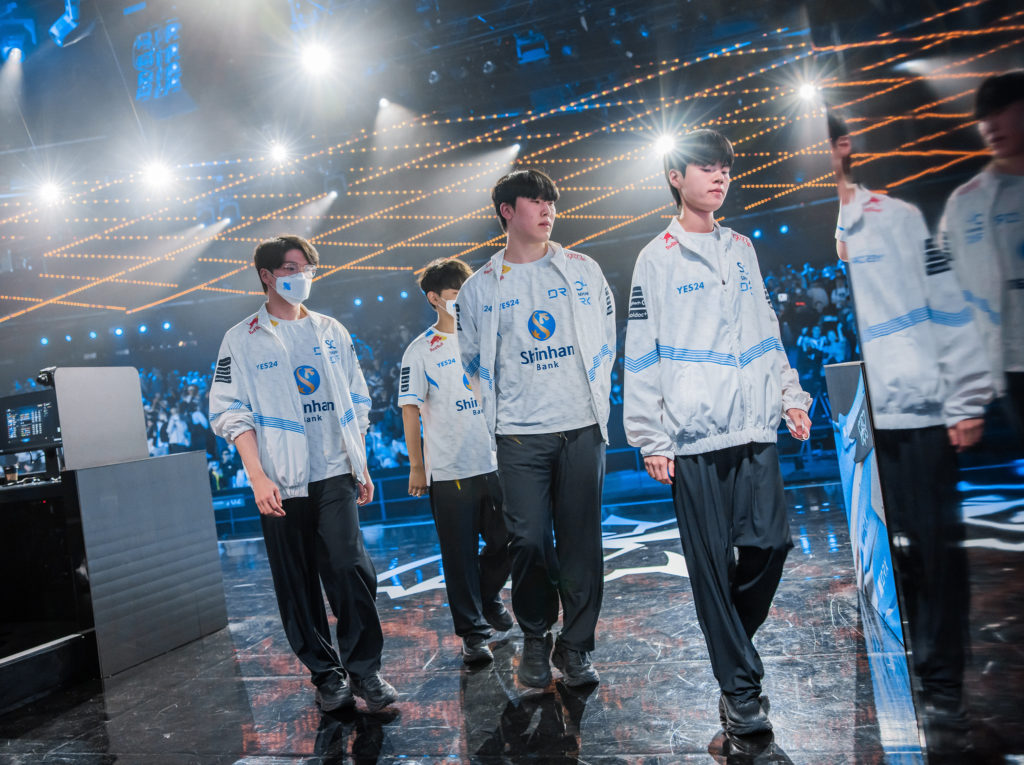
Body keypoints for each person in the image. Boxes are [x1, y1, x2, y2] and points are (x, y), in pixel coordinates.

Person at [623, 129, 811, 736]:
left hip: (754, 426)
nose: (720, 176)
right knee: (709, 566)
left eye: (725, 167)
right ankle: (740, 692)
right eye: (706, 166)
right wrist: (650, 437)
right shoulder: (656, 257)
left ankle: (731, 646)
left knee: (770, 547)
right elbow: (641, 350)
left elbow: (765, 328)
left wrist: (790, 395)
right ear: (676, 177)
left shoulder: (742, 248)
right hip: (694, 438)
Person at [830, 113, 994, 752]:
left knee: (935, 554)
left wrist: (965, 398)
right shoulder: (837, 231)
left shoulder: (896, 219)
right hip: (860, 420)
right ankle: (915, 676)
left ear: (843, 148)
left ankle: (944, 690)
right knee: (892, 561)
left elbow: (947, 307)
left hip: (917, 414)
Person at [208, 235, 397, 713]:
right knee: (296, 583)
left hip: (334, 472)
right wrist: (257, 476)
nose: (302, 276)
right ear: (267, 276)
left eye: (308, 268)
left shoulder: (331, 331)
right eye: (291, 268)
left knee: (350, 567)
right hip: (280, 480)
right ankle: (327, 675)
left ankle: (365, 671)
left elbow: (358, 399)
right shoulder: (241, 338)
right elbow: (230, 413)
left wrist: (360, 462)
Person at [456, 168, 616, 688]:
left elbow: (606, 339)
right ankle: (535, 634)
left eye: (552, 201)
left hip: (581, 428)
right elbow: (471, 359)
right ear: (507, 211)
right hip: (518, 435)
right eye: (536, 200)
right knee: (526, 541)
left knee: (581, 544)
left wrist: (594, 401)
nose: (548, 209)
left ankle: (576, 647)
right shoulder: (479, 287)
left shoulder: (583, 269)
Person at [399, 257, 513, 665]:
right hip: (449, 472)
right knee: (458, 556)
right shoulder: (420, 350)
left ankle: (486, 594)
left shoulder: (487, 337)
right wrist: (417, 467)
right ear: (435, 298)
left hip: (494, 462)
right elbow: (409, 410)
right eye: (455, 294)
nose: (463, 300)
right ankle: (472, 633)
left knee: (510, 540)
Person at [939, 70, 1024, 435]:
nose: (990, 125)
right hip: (1008, 365)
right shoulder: (965, 203)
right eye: (983, 117)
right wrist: (963, 396)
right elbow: (945, 295)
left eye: (1001, 111)